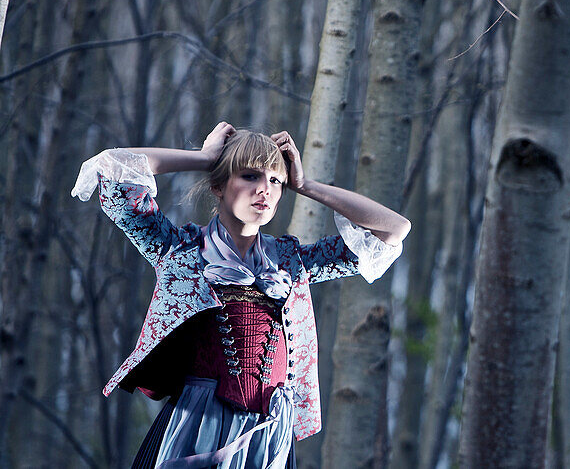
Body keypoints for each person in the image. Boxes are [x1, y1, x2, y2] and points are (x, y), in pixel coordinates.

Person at [71, 122, 410, 468]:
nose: (264, 189)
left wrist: (305, 185)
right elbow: (111, 169)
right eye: (250, 176)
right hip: (196, 428)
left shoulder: (294, 263)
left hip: (267, 440)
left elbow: (394, 228)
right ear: (218, 185)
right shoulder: (180, 249)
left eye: (275, 181)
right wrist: (203, 158)